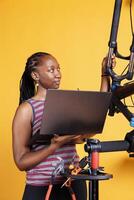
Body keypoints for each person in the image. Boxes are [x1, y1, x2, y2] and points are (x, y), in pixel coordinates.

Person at [12, 52, 115, 200]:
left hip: (74, 183)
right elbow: (21, 162)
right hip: (41, 188)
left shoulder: (68, 102)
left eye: (59, 69)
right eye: (51, 70)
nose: (58, 74)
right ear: (35, 76)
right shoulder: (27, 109)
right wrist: (53, 146)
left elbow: (94, 118)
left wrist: (105, 73)